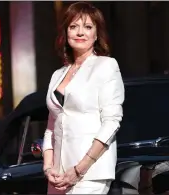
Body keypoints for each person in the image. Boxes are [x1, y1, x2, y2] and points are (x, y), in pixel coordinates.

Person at [42, 2, 125, 194]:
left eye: (88, 27)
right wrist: (48, 168)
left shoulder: (106, 66)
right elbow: (50, 128)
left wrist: (80, 169)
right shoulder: (57, 75)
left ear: (96, 35)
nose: (80, 33)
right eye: (74, 26)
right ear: (66, 32)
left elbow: (111, 123)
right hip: (58, 175)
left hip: (90, 172)